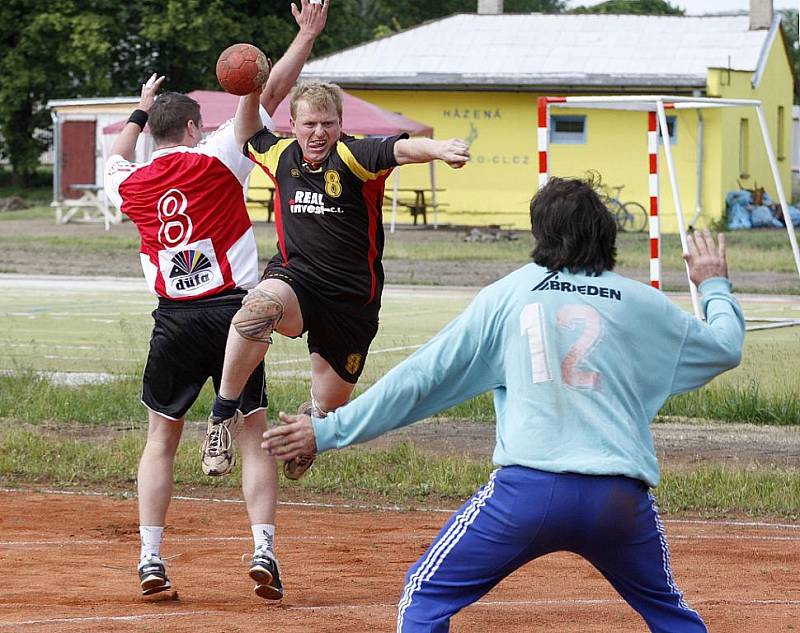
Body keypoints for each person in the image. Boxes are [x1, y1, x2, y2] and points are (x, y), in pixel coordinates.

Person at [262, 177, 745, 632]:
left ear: (539, 234)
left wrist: (329, 430)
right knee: (670, 613)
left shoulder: (511, 295)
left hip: (529, 493)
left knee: (424, 595)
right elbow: (725, 347)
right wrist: (712, 283)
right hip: (619, 498)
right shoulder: (642, 301)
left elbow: (420, 379)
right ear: (606, 233)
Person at [103, 0, 329, 601]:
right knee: (253, 435)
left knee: (160, 439)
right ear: (196, 129)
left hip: (173, 320)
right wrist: (304, 36)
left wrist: (140, 108)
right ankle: (263, 551)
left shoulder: (131, 181)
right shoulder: (221, 156)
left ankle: (151, 559)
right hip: (235, 315)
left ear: (154, 135)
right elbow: (270, 93)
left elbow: (118, 154)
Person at [207, 79, 471, 480]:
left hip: (352, 302)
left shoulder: (352, 155)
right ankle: (222, 416)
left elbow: (400, 149)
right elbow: (245, 134)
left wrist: (438, 149)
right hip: (295, 280)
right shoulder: (280, 154)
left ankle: (309, 424)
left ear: (339, 123)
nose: (318, 133)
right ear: (291, 123)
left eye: (327, 124)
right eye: (309, 124)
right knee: (256, 310)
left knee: (326, 413)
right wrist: (249, 89)